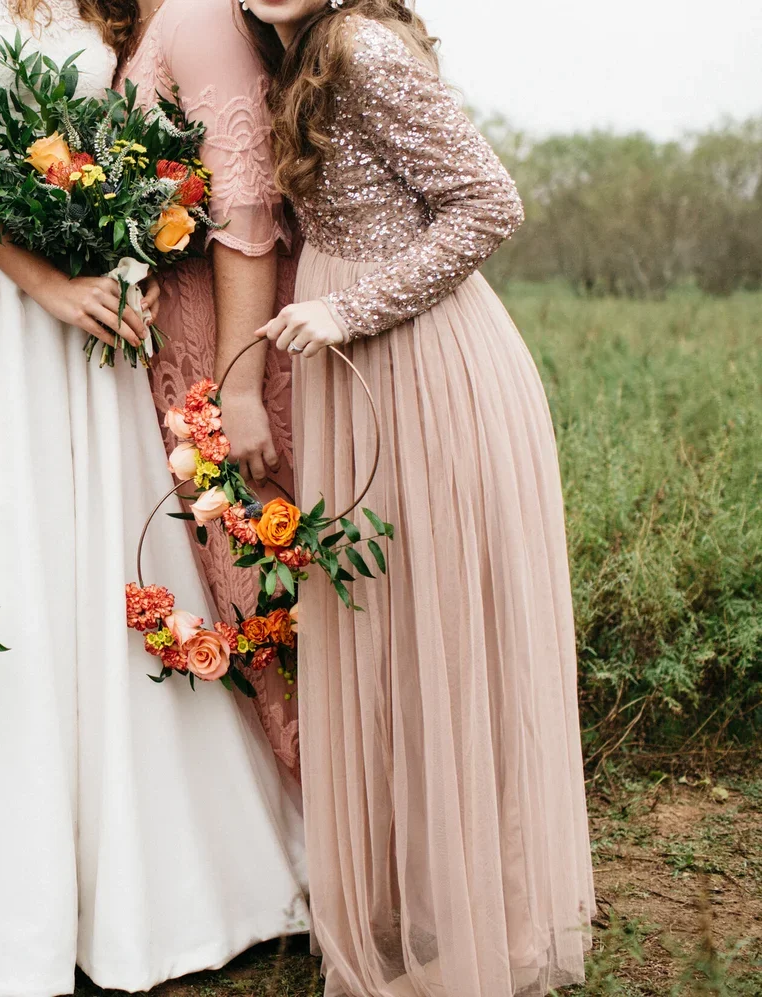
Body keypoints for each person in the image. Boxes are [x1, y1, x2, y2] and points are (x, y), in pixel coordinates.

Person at [0, 0, 309, 993]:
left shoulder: (114, 8)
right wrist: (44, 282)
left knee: (109, 550)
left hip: (97, 303)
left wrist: (125, 258)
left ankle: (150, 880)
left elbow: (150, 159)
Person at [242, 1, 595, 993]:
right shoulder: (298, 49)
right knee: (393, 635)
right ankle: (432, 906)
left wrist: (348, 307)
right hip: (362, 374)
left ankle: (488, 921)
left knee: (440, 638)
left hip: (429, 369)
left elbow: (491, 202)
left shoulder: (360, 44)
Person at [119, 0, 301, 778]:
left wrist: (240, 388)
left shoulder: (202, 17)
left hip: (225, 336)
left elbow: (248, 211)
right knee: (230, 565)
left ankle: (317, 786)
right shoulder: (163, 16)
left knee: (256, 559)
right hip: (185, 326)